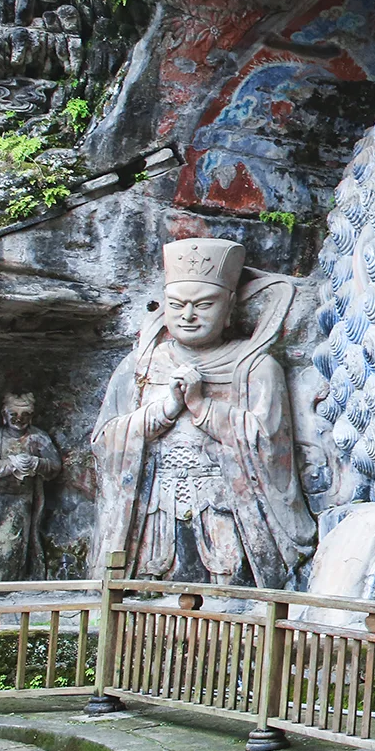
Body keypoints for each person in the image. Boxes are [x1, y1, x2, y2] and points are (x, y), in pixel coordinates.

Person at [93, 238, 315, 587]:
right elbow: (105, 441)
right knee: (151, 590)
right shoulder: (140, 365)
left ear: (229, 308)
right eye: (177, 304)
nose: (188, 315)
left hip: (227, 505)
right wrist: (162, 412)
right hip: (155, 507)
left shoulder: (254, 367)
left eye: (204, 304)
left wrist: (203, 407)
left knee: (230, 590)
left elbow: (271, 444)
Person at [0, 390, 60, 580]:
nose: (19, 419)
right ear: (4, 415)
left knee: (10, 545)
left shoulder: (37, 437)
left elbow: (55, 466)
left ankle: (6, 585)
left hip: (20, 500)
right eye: (14, 414)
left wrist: (37, 463)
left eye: (25, 415)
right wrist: (10, 464)